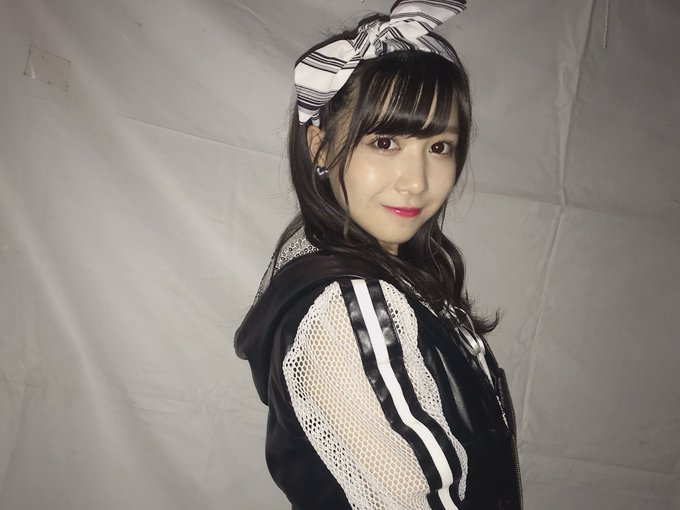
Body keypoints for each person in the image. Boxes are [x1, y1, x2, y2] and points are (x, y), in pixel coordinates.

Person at [234, 1, 522, 508]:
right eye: (385, 142)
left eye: (439, 147)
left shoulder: (364, 270)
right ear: (320, 146)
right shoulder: (353, 307)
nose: (416, 182)